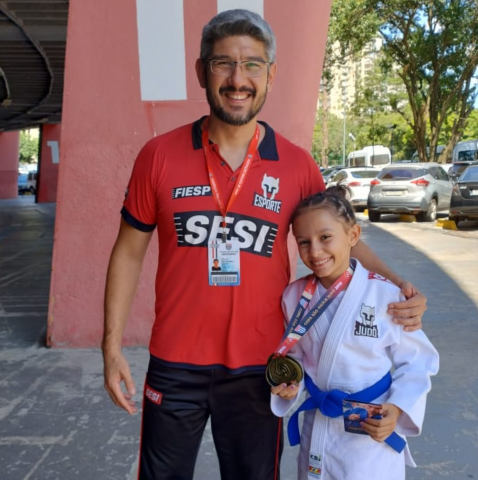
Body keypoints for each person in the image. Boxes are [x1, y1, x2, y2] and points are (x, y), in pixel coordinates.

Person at [103, 9, 428, 480]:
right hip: (175, 362)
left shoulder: (297, 166)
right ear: (201, 72)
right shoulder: (158, 155)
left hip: (264, 369)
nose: (239, 79)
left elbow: (343, 244)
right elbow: (128, 251)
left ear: (271, 75)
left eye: (253, 65)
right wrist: (111, 347)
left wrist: (400, 287)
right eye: (224, 64)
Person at [271, 185, 439, 480]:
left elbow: (418, 362)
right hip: (320, 423)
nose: (315, 251)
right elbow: (295, 355)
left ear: (353, 236)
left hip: (370, 426)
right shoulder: (293, 296)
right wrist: (290, 382)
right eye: (304, 242)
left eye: (325, 238)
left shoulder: (386, 295)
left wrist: (397, 409)